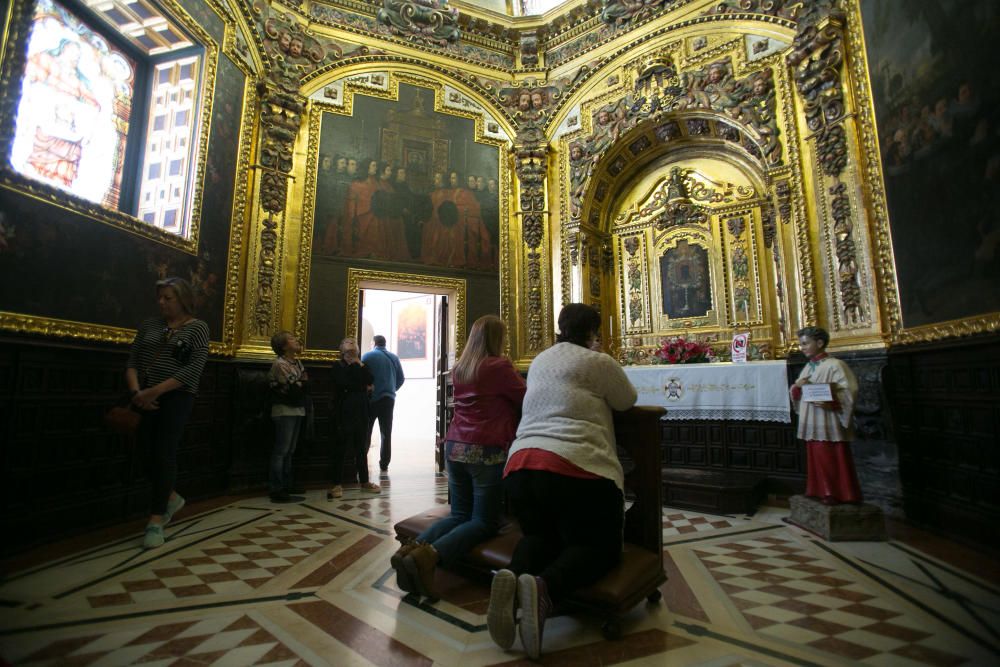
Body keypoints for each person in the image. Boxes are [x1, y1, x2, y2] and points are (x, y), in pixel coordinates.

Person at [486, 304, 637, 659]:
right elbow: (627, 400)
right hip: (573, 466)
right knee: (600, 547)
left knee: (541, 536)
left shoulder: (540, 360)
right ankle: (543, 588)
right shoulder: (597, 361)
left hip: (520, 464)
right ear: (593, 332)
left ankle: (515, 576)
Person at [391, 316, 526, 598]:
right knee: (482, 521)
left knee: (459, 514)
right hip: (485, 449)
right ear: (496, 339)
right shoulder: (498, 366)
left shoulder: (461, 368)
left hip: (455, 445)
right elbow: (523, 396)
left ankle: (409, 551)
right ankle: (429, 557)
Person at [126, 278, 209, 549]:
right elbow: (133, 361)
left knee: (164, 453)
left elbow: (192, 369)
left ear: (183, 300)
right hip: (142, 396)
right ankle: (171, 497)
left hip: (176, 398)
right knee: (141, 455)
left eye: (168, 298)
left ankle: (156, 519)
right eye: (160, 297)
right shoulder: (150, 325)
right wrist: (138, 392)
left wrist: (156, 391)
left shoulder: (197, 328)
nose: (162, 302)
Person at [789, 326, 863, 505]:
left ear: (820, 343)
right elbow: (798, 390)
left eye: (806, 343)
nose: (802, 347)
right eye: (801, 344)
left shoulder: (835, 365)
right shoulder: (809, 366)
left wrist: (832, 401)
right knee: (815, 453)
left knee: (830, 454)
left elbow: (849, 390)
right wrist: (797, 387)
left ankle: (837, 492)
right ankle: (817, 488)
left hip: (828, 417)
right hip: (812, 416)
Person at [330, 337, 380, 496]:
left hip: (361, 409)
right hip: (344, 409)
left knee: (361, 446)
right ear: (341, 349)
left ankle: (364, 481)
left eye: (354, 342)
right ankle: (337, 484)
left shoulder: (362, 364)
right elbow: (345, 383)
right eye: (348, 342)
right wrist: (358, 374)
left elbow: (370, 379)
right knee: (341, 447)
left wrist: (358, 366)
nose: (352, 343)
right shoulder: (338, 366)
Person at [267, 331, 308, 503]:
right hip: (284, 410)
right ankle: (276, 488)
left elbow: (305, 384)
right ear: (284, 347)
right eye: (291, 339)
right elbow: (293, 389)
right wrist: (298, 384)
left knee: (290, 450)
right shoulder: (280, 364)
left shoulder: (297, 362)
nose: (296, 340)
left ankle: (287, 483)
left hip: (297, 408)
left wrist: (299, 384)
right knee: (281, 450)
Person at [362, 335, 405, 472]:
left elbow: (361, 376)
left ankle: (362, 460)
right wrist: (392, 389)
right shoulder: (394, 357)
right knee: (386, 432)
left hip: (371, 399)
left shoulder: (367, 356)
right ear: (384, 344)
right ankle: (384, 463)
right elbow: (401, 379)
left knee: (366, 430)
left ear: (374, 343)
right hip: (388, 399)